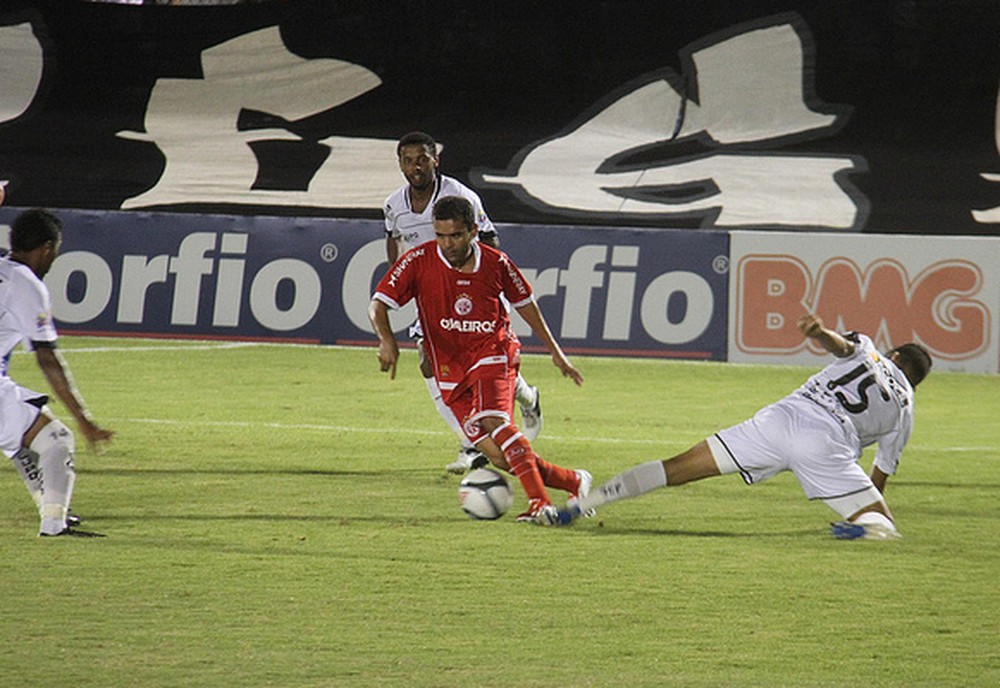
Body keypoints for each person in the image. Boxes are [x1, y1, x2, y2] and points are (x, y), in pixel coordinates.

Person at [558, 313, 933, 540]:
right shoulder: (905, 409)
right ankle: (868, 528)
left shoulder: (869, 350)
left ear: (893, 355)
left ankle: (585, 503)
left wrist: (818, 333)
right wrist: (863, 503)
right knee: (882, 523)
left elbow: (840, 347)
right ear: (914, 380)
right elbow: (882, 470)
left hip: (782, 418)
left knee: (677, 468)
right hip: (828, 444)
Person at [370, 195, 589, 524]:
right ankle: (574, 481)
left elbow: (527, 304)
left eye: (455, 235)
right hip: (450, 371)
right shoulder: (418, 261)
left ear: (473, 231)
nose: (447, 244)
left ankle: (540, 503)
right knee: (500, 458)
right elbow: (379, 303)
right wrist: (386, 339)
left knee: (494, 422)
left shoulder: (496, 263)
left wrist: (555, 352)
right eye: (440, 235)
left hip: (494, 352)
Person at [383, 131, 542, 474]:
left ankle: (525, 397)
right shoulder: (394, 205)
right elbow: (393, 240)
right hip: (432, 296)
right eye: (408, 160)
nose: (415, 167)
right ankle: (470, 443)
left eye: (422, 159)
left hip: (473, 293)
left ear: (435, 160)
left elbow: (490, 238)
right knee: (430, 364)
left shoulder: (459, 196)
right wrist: (401, 279)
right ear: (400, 164)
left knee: (479, 366)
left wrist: (483, 284)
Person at [1, 208, 114, 536]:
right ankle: (54, 524)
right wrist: (84, 419)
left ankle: (54, 511)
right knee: (56, 437)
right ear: (47, 248)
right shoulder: (25, 283)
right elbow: (47, 359)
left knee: (22, 438)